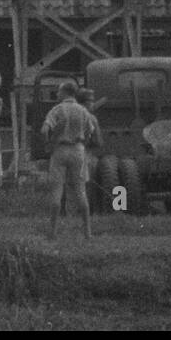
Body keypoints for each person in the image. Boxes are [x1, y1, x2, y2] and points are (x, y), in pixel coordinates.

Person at [41, 80, 99, 241]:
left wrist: (47, 143)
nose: (57, 94)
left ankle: (52, 232)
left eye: (59, 91)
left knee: (57, 191)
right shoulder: (83, 111)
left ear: (65, 92)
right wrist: (82, 143)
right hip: (78, 150)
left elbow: (45, 129)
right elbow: (90, 131)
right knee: (81, 191)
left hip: (60, 150)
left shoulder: (57, 109)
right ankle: (87, 232)